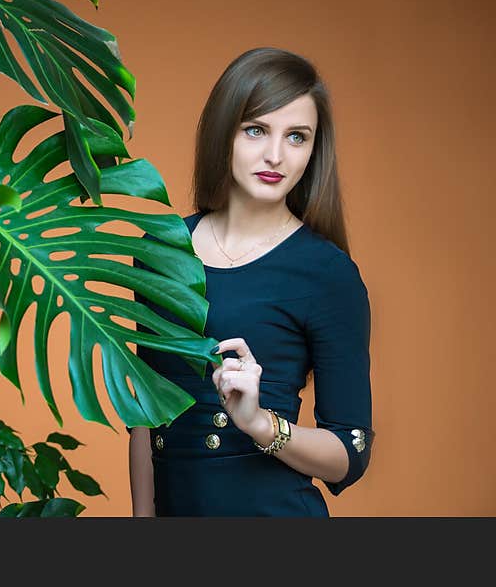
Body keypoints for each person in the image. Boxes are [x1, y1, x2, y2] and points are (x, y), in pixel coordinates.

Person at [128, 47, 374, 516]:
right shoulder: (161, 249)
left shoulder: (327, 274)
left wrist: (262, 425)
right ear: (225, 133)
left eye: (297, 137)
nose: (275, 155)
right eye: (256, 130)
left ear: (313, 151)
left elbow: (351, 453)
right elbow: (145, 414)